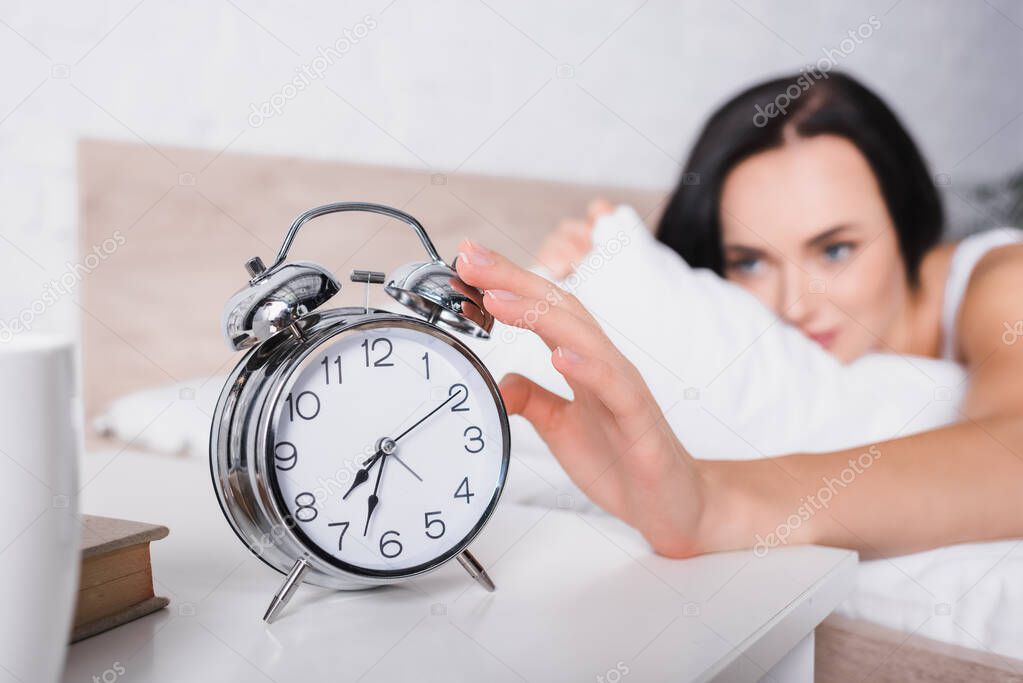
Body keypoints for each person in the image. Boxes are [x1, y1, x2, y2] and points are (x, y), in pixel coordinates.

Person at [453, 72, 1023, 560]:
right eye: (750, 262)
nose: (796, 304)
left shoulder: (1004, 283)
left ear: (906, 224)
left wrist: (719, 501)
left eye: (836, 250)